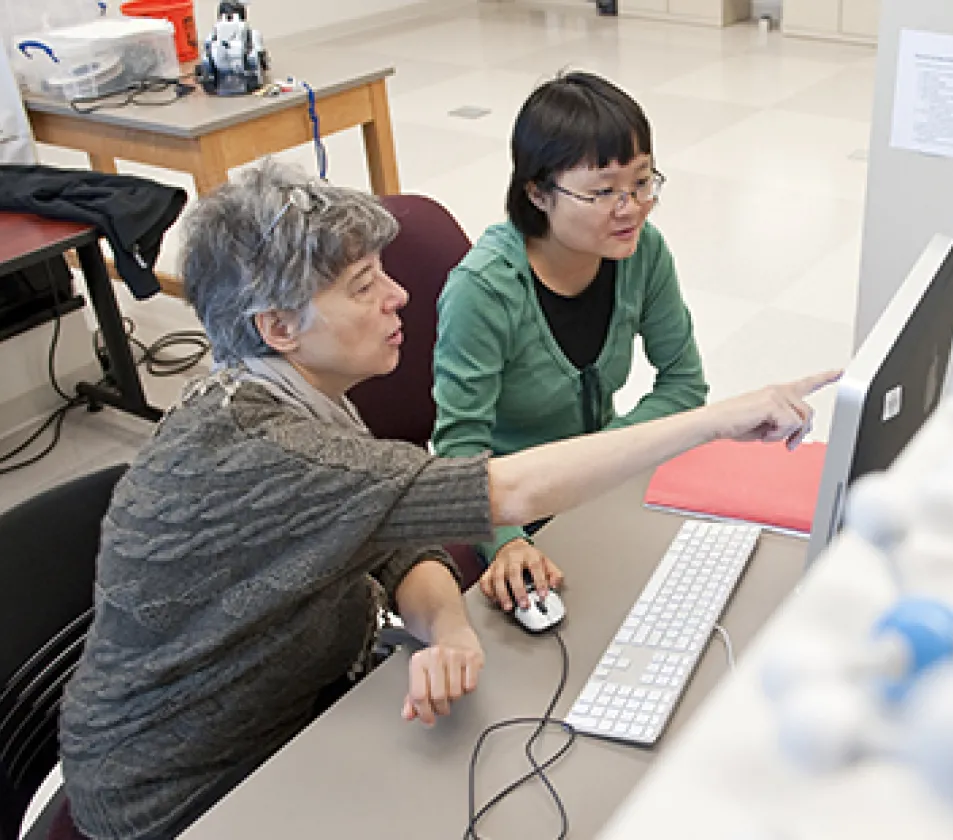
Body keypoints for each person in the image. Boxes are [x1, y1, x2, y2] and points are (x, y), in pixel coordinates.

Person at [54, 160, 835, 840]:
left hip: (295, 714)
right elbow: (509, 489)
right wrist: (717, 421)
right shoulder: (274, 450)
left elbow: (395, 533)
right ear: (278, 327)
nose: (399, 296)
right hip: (185, 794)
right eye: (365, 286)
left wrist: (448, 627)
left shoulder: (289, 400)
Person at [432, 71, 706, 613]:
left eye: (642, 183)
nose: (629, 208)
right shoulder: (483, 289)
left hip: (598, 491)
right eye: (603, 191)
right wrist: (506, 541)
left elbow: (684, 383)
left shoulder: (642, 251)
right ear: (537, 192)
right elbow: (460, 452)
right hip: (511, 508)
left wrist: (605, 455)